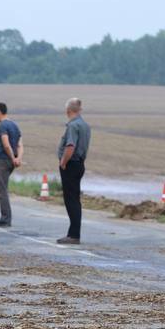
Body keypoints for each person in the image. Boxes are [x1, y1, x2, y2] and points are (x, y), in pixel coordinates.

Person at [57, 97, 91, 245]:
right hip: (80, 164)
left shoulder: (73, 126)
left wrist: (63, 162)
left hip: (71, 164)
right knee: (75, 199)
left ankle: (73, 235)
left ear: (68, 110)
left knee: (71, 200)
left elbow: (70, 146)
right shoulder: (85, 125)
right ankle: (74, 232)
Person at [0, 102, 22, 227]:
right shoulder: (15, 125)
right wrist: (18, 158)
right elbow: (20, 144)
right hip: (12, 160)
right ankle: (5, 216)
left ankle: (6, 218)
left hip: (4, 160)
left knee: (1, 189)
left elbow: (6, 144)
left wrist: (12, 157)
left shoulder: (2, 126)